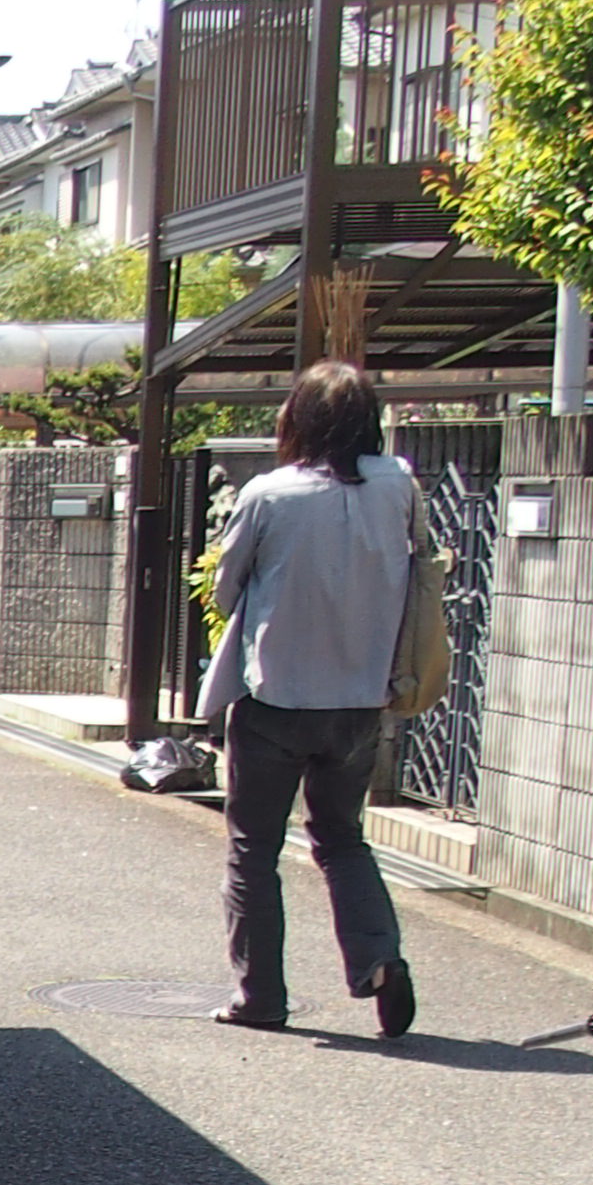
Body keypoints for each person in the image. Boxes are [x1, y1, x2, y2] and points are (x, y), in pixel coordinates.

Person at [197, 360, 420, 1038]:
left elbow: (224, 589)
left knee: (254, 849)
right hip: (361, 699)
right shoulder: (400, 486)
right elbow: (423, 568)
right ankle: (379, 957)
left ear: (297, 419)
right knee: (343, 838)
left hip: (276, 700)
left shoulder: (270, 494)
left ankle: (261, 996)